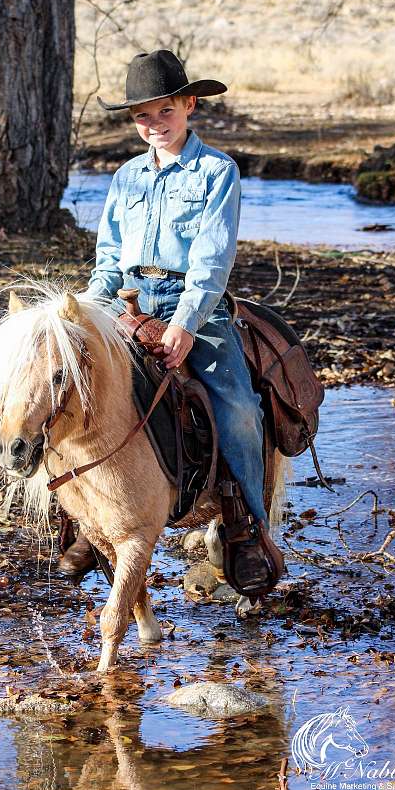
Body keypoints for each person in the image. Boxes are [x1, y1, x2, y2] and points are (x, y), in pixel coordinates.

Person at [58, 49, 283, 595]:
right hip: (129, 301)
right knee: (66, 387)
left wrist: (184, 323)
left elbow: (211, 260)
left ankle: (245, 526)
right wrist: (85, 313)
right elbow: (109, 262)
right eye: (142, 116)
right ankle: (83, 516)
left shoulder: (216, 172)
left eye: (165, 111)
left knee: (239, 407)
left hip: (193, 304)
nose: (154, 124)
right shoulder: (127, 177)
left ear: (190, 105)